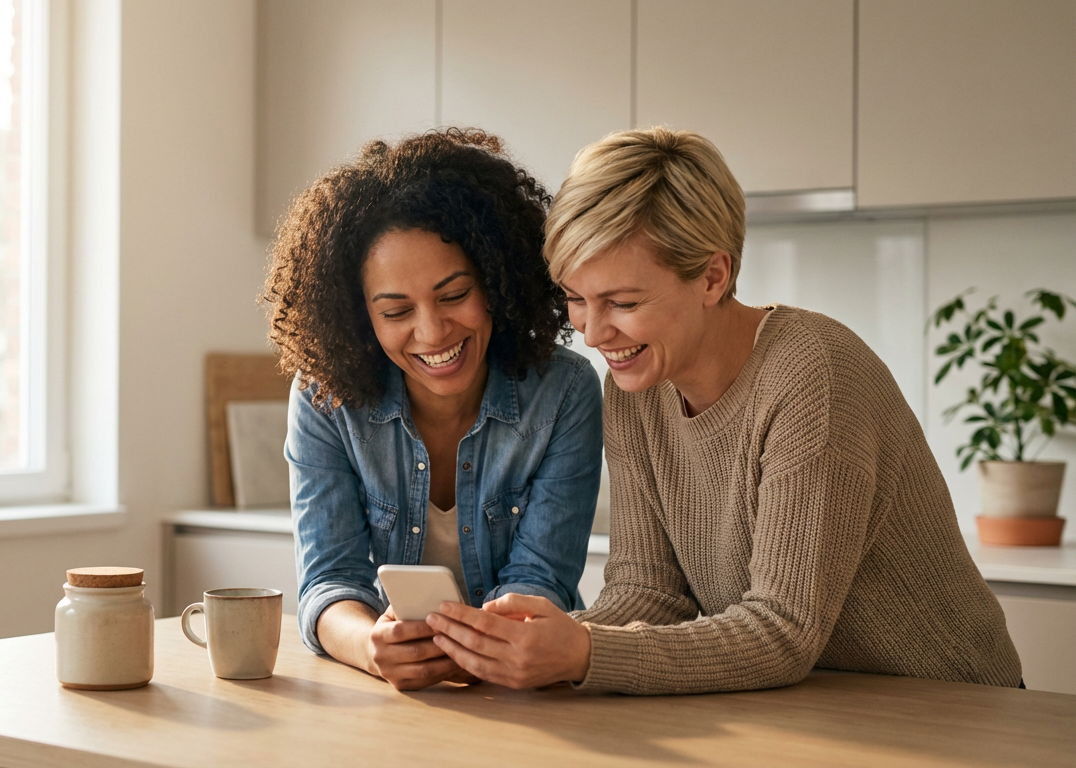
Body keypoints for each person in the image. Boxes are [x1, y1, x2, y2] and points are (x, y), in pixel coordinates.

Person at [426, 127, 1023, 694]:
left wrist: (586, 653)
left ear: (714, 276)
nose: (593, 331)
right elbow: (649, 590)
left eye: (623, 301)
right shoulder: (637, 389)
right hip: (817, 706)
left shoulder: (813, 374)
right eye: (576, 299)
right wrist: (549, 643)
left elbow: (783, 628)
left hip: (955, 708)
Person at [262, 129, 602, 691]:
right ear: (360, 319)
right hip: (397, 701)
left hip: (526, 687)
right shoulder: (325, 398)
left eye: (453, 296)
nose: (432, 331)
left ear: (496, 281)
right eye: (396, 311)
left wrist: (475, 648)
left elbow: (540, 582)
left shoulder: (564, 393)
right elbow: (328, 583)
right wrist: (374, 649)